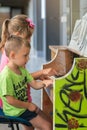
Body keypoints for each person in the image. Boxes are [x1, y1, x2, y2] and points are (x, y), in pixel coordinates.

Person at [0, 14, 57, 107]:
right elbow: (19, 79)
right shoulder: (12, 57)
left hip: (19, 98)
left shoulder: (11, 51)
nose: (30, 40)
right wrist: (41, 73)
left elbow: (22, 76)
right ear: (17, 35)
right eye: (28, 37)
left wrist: (40, 75)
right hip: (15, 103)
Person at [0, 35, 53, 130]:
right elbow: (10, 101)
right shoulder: (6, 75)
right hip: (15, 110)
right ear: (12, 55)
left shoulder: (22, 70)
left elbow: (35, 85)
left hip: (24, 106)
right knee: (47, 126)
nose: (28, 59)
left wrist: (46, 82)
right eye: (25, 55)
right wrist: (28, 105)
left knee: (49, 122)